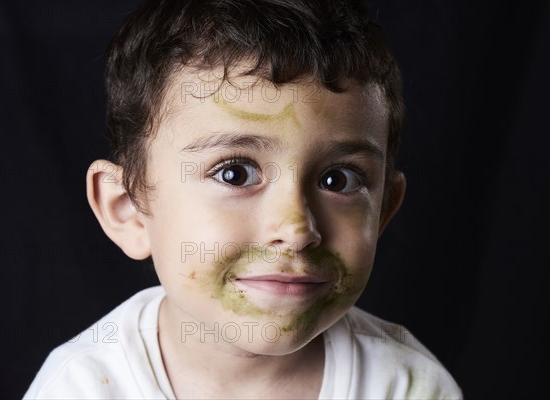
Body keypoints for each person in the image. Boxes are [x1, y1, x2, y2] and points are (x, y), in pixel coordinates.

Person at [24, 0, 462, 398]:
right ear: (129, 210)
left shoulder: (407, 386)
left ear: (382, 211)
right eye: (235, 173)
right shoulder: (80, 386)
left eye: (337, 179)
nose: (296, 230)